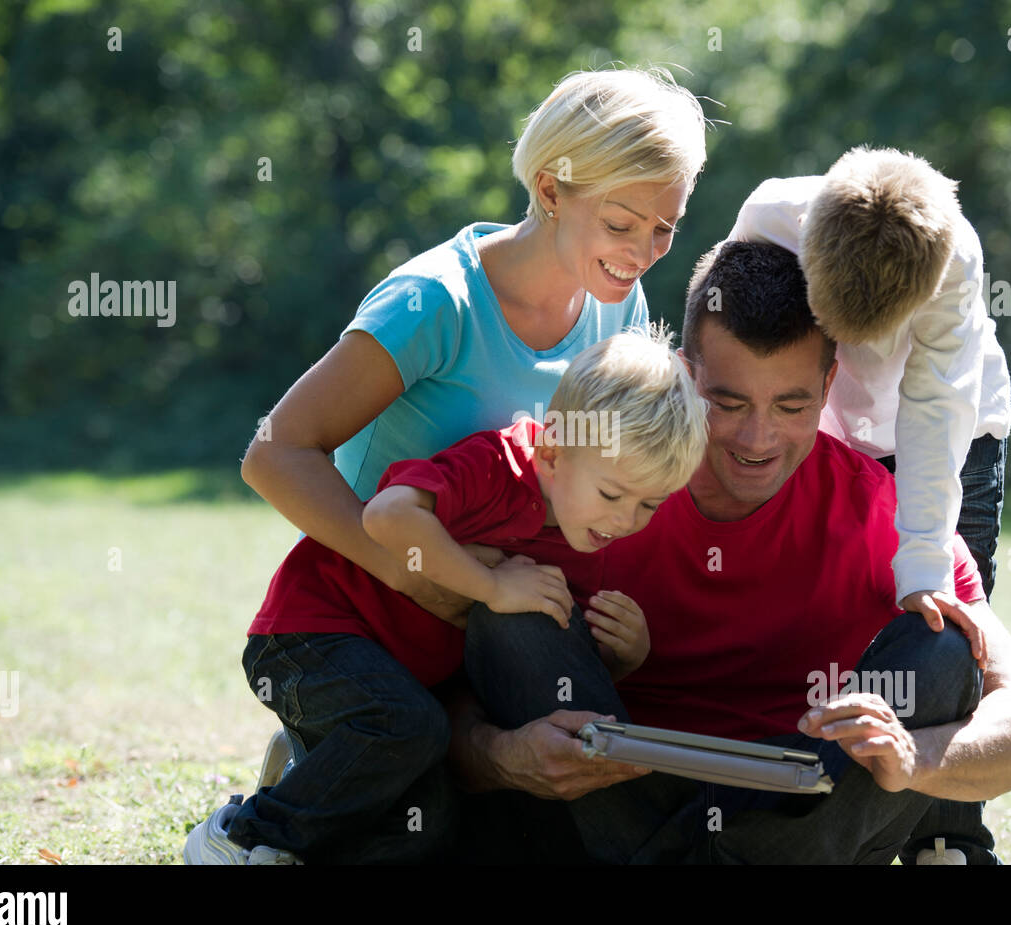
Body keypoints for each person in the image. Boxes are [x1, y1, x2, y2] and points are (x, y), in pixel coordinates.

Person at [448, 241, 1011, 864]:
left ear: (828, 386)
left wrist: (911, 758)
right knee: (508, 616)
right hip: (624, 800)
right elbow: (464, 688)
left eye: (791, 406)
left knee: (944, 646)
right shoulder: (598, 490)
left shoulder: (892, 520)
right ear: (687, 374)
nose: (757, 440)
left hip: (805, 814)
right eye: (728, 404)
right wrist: (501, 756)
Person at [183, 330, 707, 864]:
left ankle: (307, 785)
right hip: (315, 632)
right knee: (406, 725)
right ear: (552, 451)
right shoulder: (497, 466)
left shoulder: (584, 537)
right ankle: (242, 834)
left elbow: (541, 665)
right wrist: (492, 586)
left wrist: (622, 659)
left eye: (651, 505)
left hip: (396, 678)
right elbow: (387, 515)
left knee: (426, 824)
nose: (624, 520)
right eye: (612, 494)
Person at [240, 66, 706, 636]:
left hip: (496, 611)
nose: (643, 253)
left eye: (665, 228)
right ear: (551, 191)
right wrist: (411, 575)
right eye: (620, 224)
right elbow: (274, 454)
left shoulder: (619, 305)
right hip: (374, 611)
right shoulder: (435, 303)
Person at [728, 147, 1011, 860]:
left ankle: (949, 834)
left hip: (955, 438)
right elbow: (734, 335)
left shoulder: (955, 258)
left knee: (951, 634)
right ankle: (793, 793)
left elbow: (934, 408)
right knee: (830, 615)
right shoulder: (769, 215)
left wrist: (923, 564)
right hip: (824, 434)